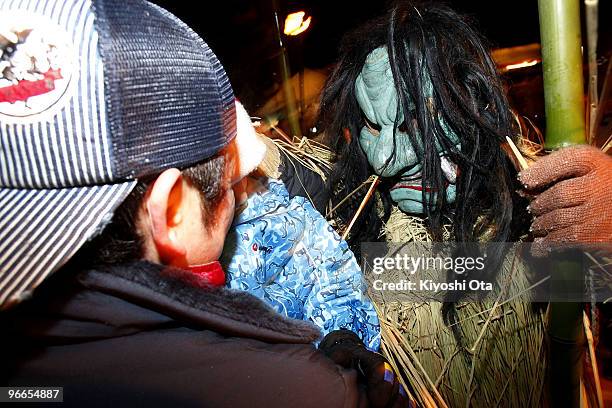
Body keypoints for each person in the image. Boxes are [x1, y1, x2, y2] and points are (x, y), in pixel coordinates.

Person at [0, 0, 411, 406]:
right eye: (232, 184)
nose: (242, 196)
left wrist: (337, 333)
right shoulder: (301, 391)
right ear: (173, 211)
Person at [318, 1, 610, 406]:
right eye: (371, 125)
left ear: (476, 109)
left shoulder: (540, 218)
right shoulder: (344, 221)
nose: (385, 159)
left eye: (413, 122)